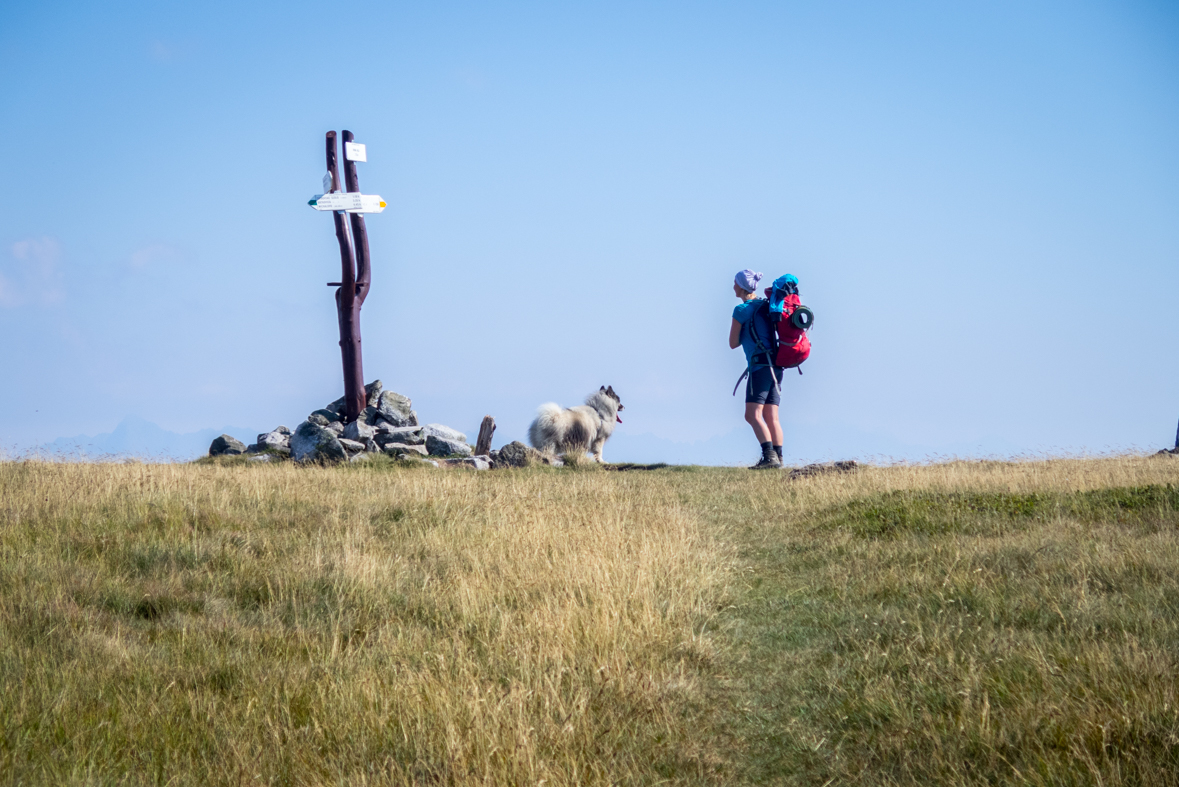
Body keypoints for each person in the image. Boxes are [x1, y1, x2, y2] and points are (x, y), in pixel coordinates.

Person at [729, 269, 784, 469]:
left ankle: (769, 458)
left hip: (759, 367)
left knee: (752, 415)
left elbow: (732, 343)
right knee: (772, 416)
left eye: (735, 283)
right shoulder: (766, 305)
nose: (733, 286)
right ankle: (778, 458)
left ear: (742, 286)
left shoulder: (741, 310)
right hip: (776, 367)